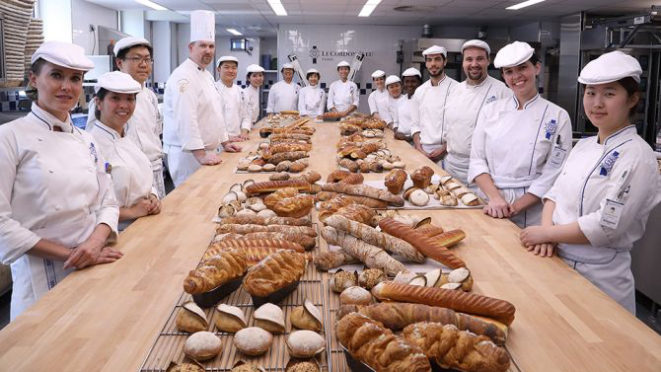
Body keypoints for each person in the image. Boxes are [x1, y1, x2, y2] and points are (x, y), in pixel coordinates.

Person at [520, 51, 661, 314]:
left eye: (609, 94)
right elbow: (555, 193)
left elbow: (607, 225)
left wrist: (547, 233)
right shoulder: (583, 146)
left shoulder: (638, 155)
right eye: (590, 93)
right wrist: (547, 233)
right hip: (556, 260)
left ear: (632, 99)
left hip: (601, 276)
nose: (597, 103)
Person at [0, 41, 121, 320]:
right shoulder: (10, 138)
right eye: (56, 75)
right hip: (39, 274)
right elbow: (3, 225)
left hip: (93, 262)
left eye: (75, 78)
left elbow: (108, 201)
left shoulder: (87, 140)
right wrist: (72, 254)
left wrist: (94, 244)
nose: (67, 86)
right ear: (34, 78)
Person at [468, 41, 572, 228]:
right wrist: (495, 199)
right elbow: (477, 160)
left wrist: (514, 207)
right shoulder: (490, 111)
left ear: (537, 68)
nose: (516, 76)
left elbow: (554, 173)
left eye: (523, 68)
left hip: (533, 210)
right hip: (490, 203)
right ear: (503, 76)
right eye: (509, 72)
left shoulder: (557, 116)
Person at [162, 10, 240, 187]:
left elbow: (215, 114)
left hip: (206, 151)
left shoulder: (206, 75)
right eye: (202, 45)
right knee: (191, 205)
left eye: (211, 46)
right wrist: (200, 154)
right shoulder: (184, 76)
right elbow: (186, 118)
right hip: (188, 155)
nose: (208, 51)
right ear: (191, 48)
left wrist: (225, 142)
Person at [87, 37, 166, 199]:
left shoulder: (150, 96)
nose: (143, 64)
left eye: (147, 59)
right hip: (123, 175)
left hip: (154, 169)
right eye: (136, 59)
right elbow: (95, 145)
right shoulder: (106, 96)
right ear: (119, 63)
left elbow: (156, 133)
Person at [88, 71, 161, 231]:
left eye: (129, 99)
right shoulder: (91, 147)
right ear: (99, 103)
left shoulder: (127, 138)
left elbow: (142, 177)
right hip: (114, 234)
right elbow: (87, 211)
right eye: (115, 98)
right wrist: (131, 212)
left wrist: (154, 196)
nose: (124, 105)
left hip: (144, 225)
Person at [444, 40, 511, 186]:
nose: (474, 64)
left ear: (488, 61)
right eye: (469, 59)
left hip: (484, 170)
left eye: (479, 58)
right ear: (463, 62)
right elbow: (449, 128)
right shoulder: (455, 90)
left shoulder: (503, 92)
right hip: (451, 165)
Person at [411, 45, 458, 164]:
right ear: (426, 63)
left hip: (449, 152)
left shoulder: (458, 89)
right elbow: (415, 124)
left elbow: (461, 126)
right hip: (424, 151)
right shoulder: (420, 91)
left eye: (437, 59)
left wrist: (444, 148)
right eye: (429, 60)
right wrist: (418, 146)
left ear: (445, 62)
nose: (433, 64)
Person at [216, 56, 252, 141]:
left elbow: (246, 115)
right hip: (218, 141)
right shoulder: (213, 90)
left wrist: (244, 131)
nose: (231, 71)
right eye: (226, 67)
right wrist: (226, 137)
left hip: (237, 138)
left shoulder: (241, 92)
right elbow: (210, 119)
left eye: (234, 68)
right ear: (218, 69)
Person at [394, 67, 422, 144]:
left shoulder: (423, 101)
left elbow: (426, 128)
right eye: (407, 81)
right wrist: (397, 132)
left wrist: (407, 138)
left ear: (420, 83)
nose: (409, 84)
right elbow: (396, 123)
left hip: (417, 143)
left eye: (413, 81)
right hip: (399, 141)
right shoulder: (400, 101)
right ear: (403, 84)